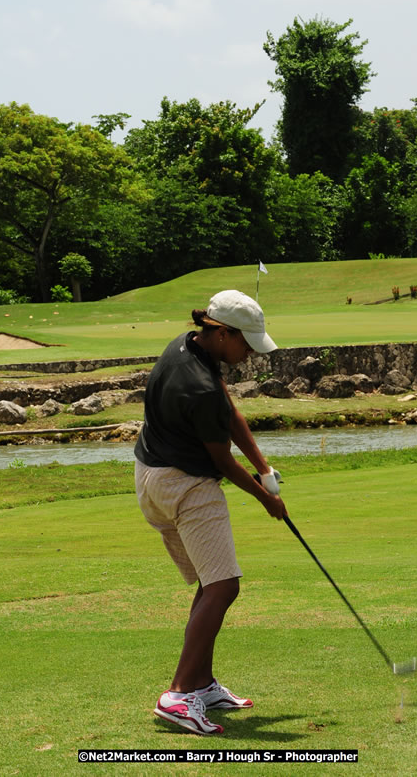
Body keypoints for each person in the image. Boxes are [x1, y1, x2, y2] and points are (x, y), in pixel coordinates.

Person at [134, 289, 287, 737]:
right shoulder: (198, 387)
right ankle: (179, 695)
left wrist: (264, 469)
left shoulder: (188, 347)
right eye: (245, 343)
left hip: (151, 477)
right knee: (223, 586)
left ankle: (201, 684)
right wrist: (268, 501)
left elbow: (229, 409)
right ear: (222, 333)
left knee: (210, 582)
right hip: (186, 484)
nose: (249, 354)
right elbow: (221, 461)